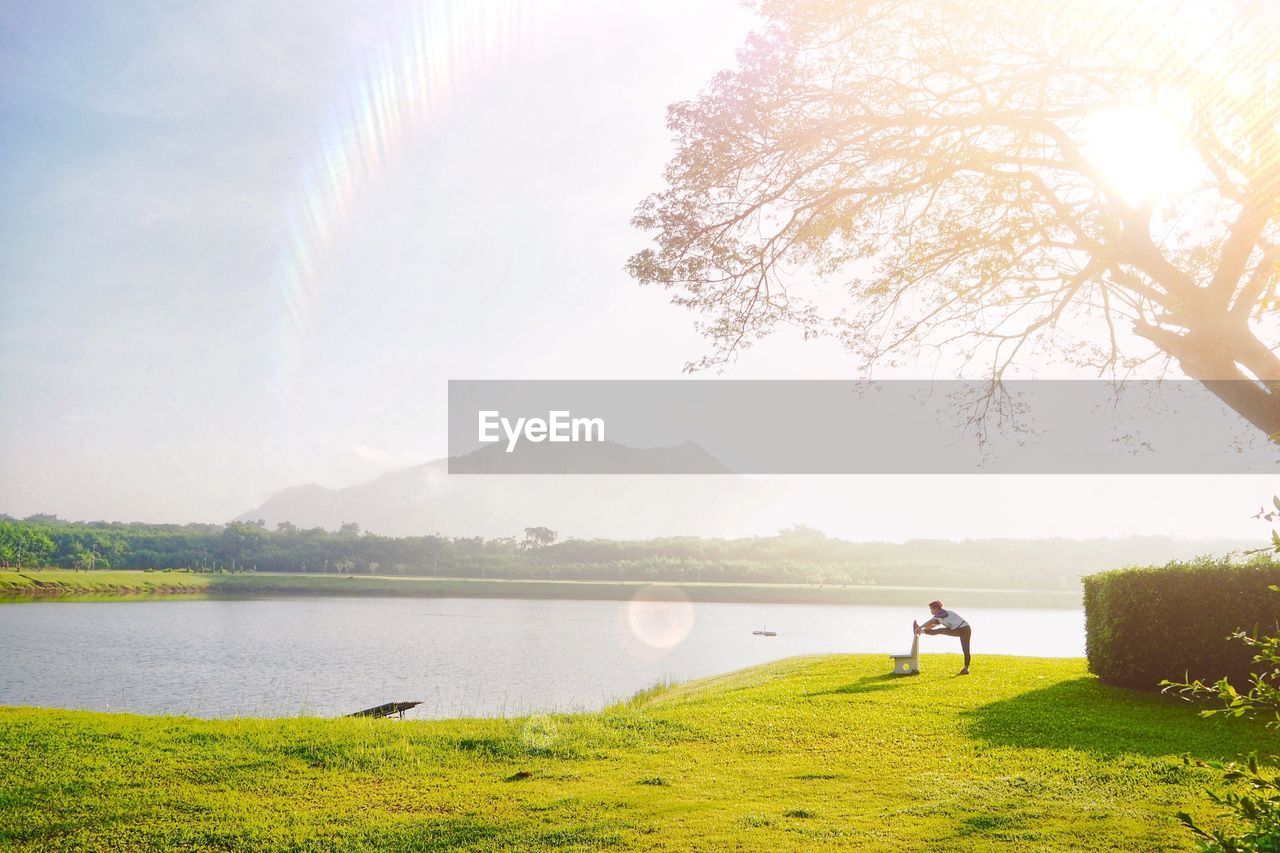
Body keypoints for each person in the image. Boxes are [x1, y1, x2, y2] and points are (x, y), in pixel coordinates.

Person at [914, 600, 972, 675]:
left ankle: (966, 669)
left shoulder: (942, 612)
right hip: (959, 629)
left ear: (935, 608)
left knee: (965, 649)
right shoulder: (940, 616)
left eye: (931, 609)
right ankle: (966, 669)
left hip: (963, 629)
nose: (931, 611)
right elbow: (932, 625)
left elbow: (931, 621)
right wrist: (921, 630)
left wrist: (919, 627)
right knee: (939, 630)